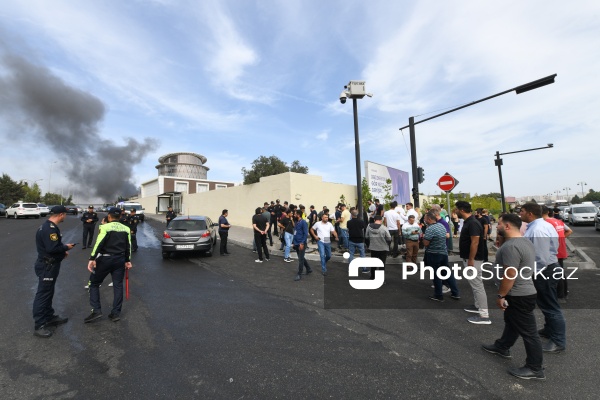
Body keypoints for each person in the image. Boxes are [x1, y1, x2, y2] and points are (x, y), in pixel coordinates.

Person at [482, 213, 545, 380]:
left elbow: (510, 274)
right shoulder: (523, 242)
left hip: (518, 294)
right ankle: (503, 346)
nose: (497, 226)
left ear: (507, 226)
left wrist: (501, 295)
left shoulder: (511, 247)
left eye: (500, 224)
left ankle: (535, 368)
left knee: (529, 332)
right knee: (512, 322)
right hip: (523, 292)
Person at [519, 202, 566, 353]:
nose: (520, 214)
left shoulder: (538, 229)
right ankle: (549, 330)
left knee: (550, 306)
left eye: (522, 211)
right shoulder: (541, 226)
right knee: (547, 304)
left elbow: (541, 257)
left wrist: (532, 273)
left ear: (530, 214)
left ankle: (558, 341)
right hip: (548, 269)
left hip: (544, 271)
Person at [32, 205, 76, 338]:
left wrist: (62, 252)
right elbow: (52, 248)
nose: (65, 217)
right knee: (43, 293)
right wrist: (65, 247)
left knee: (48, 292)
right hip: (47, 266)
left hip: (50, 264)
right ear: (61, 214)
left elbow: (51, 247)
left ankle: (49, 317)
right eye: (65, 214)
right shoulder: (49, 229)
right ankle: (39, 324)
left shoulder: (49, 226)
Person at [84, 207, 133, 323]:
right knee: (118, 285)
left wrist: (92, 258)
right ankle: (115, 313)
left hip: (105, 259)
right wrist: (128, 260)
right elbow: (128, 246)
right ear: (120, 217)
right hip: (120, 260)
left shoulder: (104, 227)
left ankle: (96, 311)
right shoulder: (126, 228)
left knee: (94, 283)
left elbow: (98, 243)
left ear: (109, 216)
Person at [455, 201, 490, 324]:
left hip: (473, 260)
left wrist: (471, 259)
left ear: (462, 210)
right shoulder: (469, 222)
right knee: (475, 285)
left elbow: (475, 242)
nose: (455, 212)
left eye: (457, 210)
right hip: (471, 259)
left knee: (477, 286)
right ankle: (477, 306)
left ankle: (484, 315)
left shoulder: (473, 223)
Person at [423, 211, 459, 302]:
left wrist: (423, 237)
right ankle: (455, 293)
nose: (424, 220)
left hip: (434, 254)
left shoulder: (430, 229)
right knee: (447, 273)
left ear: (429, 219)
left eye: (425, 218)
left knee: (436, 274)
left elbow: (426, 243)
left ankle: (438, 295)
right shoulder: (442, 226)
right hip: (443, 253)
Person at [542, 206, 572, 300]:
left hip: (553, 251)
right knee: (560, 272)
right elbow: (569, 231)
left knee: (555, 273)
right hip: (560, 249)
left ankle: (560, 295)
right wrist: (561, 239)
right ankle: (564, 292)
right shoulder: (558, 221)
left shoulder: (546, 223)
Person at [365, 215, 391, 282]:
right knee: (382, 264)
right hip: (383, 248)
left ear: (374, 220)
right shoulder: (384, 228)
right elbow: (389, 238)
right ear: (381, 221)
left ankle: (372, 276)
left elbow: (366, 237)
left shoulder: (369, 227)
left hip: (373, 247)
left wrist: (369, 244)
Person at [292, 209, 312, 281]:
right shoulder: (297, 222)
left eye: (295, 214)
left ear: (298, 215)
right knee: (301, 257)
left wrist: (302, 243)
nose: (294, 215)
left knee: (300, 259)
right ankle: (309, 269)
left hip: (301, 243)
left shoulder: (303, 222)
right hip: (296, 242)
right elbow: (295, 233)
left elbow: (305, 234)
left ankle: (299, 274)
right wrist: (294, 242)